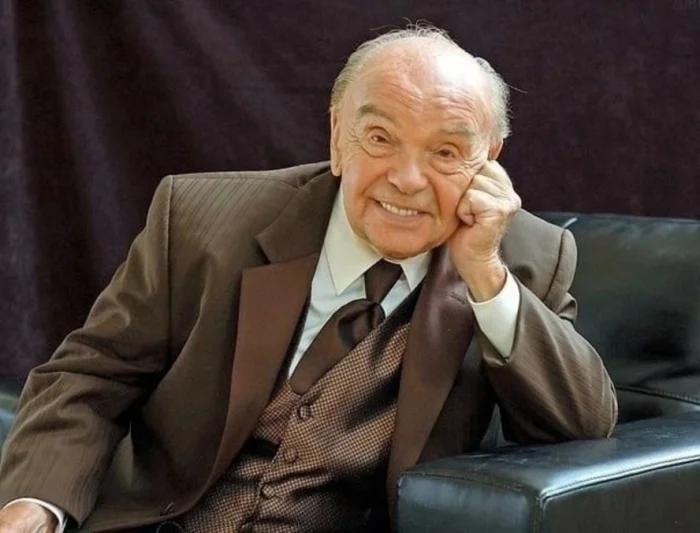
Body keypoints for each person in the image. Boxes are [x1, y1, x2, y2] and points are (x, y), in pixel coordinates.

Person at [0, 25, 617, 533]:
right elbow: (92, 375)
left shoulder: (524, 257)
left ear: (490, 160)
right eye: (380, 138)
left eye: (446, 152)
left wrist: (484, 274)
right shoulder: (202, 219)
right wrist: (35, 504)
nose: (407, 179)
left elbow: (584, 426)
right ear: (337, 137)